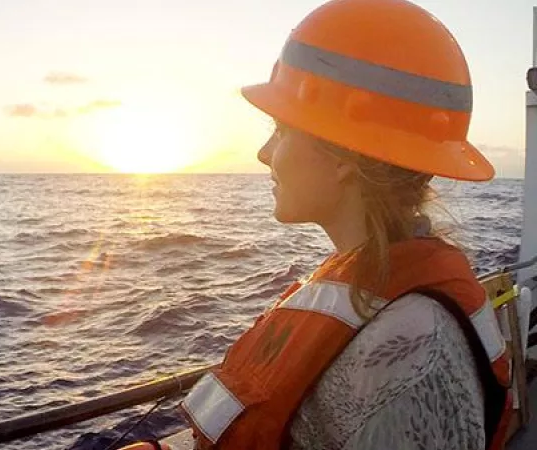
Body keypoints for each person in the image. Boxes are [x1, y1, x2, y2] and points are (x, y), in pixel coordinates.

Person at [119, 0, 512, 449]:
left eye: (282, 130)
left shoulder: (411, 345)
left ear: (343, 155)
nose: (265, 153)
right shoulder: (373, 290)